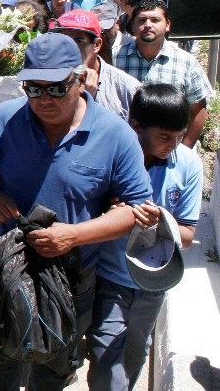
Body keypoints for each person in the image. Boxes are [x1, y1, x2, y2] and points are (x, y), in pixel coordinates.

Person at [0, 33, 152, 391]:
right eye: (34, 89)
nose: (44, 99)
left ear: (80, 80)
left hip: (70, 277)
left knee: (51, 373)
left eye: (56, 88)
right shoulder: (5, 118)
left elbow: (134, 209)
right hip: (4, 269)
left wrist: (73, 236)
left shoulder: (115, 135)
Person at [86, 84, 203, 391]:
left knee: (134, 356)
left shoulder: (188, 165)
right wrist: (110, 213)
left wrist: (158, 221)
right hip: (108, 279)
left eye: (179, 136)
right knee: (105, 362)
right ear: (136, 126)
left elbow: (187, 236)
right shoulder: (111, 155)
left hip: (153, 284)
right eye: (165, 136)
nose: (173, 145)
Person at [115, 0, 213, 148]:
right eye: (141, 20)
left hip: (168, 151)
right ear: (132, 25)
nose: (148, 25)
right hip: (122, 149)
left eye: (155, 20)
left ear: (167, 25)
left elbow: (198, 109)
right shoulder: (114, 58)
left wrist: (182, 150)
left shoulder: (186, 62)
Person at [49, 9, 141, 120]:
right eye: (63, 40)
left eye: (79, 41)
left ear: (97, 45)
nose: (69, 48)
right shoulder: (45, 83)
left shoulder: (126, 88)